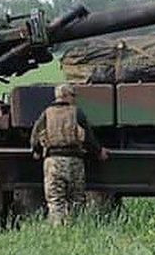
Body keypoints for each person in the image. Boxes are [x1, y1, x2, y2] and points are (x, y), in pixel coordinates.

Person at [30, 83, 107, 225]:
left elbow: (35, 134)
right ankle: (76, 228)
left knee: (55, 201)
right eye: (72, 95)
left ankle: (58, 231)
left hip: (53, 163)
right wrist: (99, 151)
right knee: (76, 200)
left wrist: (36, 151)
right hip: (74, 162)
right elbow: (88, 137)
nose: (74, 99)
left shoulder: (47, 113)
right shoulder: (76, 112)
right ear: (65, 95)